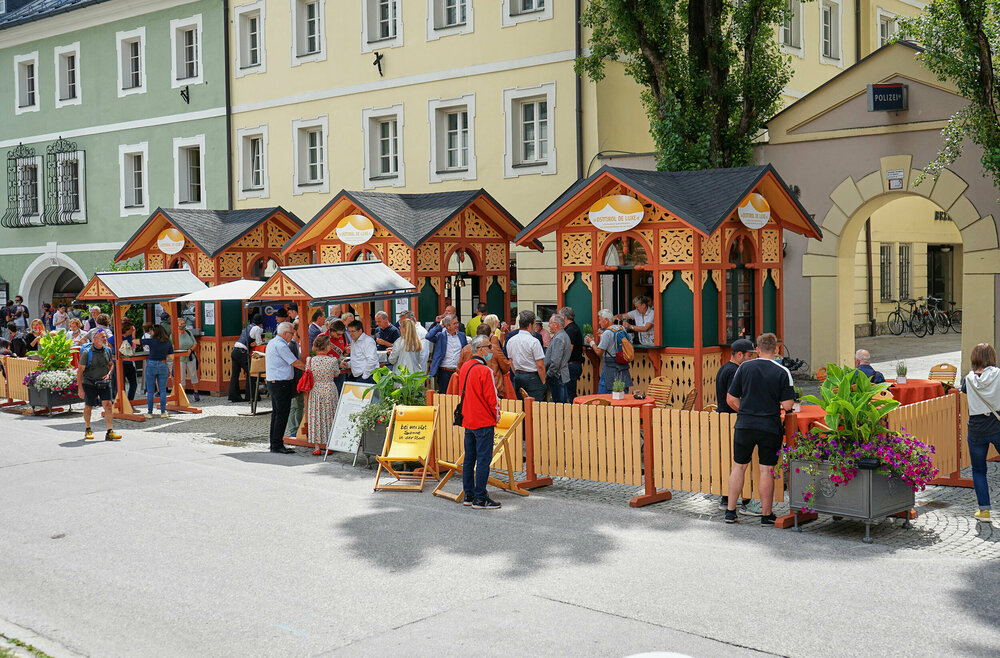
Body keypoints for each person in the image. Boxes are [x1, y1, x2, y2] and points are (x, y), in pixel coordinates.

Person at [724, 332, 795, 526]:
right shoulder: (782, 371)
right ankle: (766, 515)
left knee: (739, 467)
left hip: (745, 424)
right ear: (776, 349)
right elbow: (788, 405)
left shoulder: (745, 367)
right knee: (766, 470)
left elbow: (731, 398)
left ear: (757, 349)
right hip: (769, 426)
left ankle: (730, 512)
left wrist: (746, 410)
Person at [458, 335, 502, 510]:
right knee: (483, 460)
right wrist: (496, 416)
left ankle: (468, 494)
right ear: (480, 349)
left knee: (469, 459)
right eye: (489, 347)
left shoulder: (465, 368)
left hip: (468, 418)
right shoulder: (485, 371)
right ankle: (480, 497)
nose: (491, 350)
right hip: (483, 419)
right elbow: (492, 399)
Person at [715, 338, 758, 514]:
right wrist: (746, 412)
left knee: (730, 462)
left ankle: (726, 499)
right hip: (734, 420)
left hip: (724, 420)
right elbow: (733, 399)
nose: (751, 359)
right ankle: (746, 501)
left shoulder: (724, 367)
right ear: (739, 355)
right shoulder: (735, 372)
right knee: (743, 462)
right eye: (749, 355)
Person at [961, 343, 1000, 522]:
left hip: (976, 428)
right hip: (996, 424)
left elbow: (964, 392)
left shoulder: (967, 379)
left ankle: (984, 512)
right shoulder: (999, 375)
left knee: (978, 470)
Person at [265, 322, 305, 454]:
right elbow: (295, 362)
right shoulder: (281, 345)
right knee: (281, 414)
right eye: (292, 333)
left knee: (276, 414)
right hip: (281, 384)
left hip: (274, 382)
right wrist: (310, 368)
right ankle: (277, 444)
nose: (293, 336)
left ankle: (274, 443)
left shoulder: (272, 342)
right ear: (285, 333)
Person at [76, 330, 121, 441]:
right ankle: (88, 429)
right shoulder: (87, 353)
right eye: (102, 337)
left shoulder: (108, 350)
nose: (105, 339)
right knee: (89, 406)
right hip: (89, 383)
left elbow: (111, 365)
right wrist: (80, 389)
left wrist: (109, 374)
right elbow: (80, 371)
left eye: (105, 336)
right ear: (95, 339)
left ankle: (110, 431)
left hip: (104, 383)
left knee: (108, 406)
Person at [304, 334, 341, 456]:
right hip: (329, 389)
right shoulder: (332, 360)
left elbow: (307, 372)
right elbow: (336, 374)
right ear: (326, 347)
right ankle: (329, 445)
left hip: (316, 390)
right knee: (330, 416)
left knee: (316, 417)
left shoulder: (310, 360)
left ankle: (317, 446)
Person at [587, 309, 632, 394]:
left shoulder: (606, 334)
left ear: (606, 320)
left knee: (604, 395)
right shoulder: (621, 328)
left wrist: (591, 342)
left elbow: (598, 352)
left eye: (600, 320)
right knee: (622, 394)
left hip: (610, 367)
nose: (599, 323)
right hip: (623, 365)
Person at [507, 310, 546, 400]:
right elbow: (540, 365)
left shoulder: (511, 340)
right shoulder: (534, 341)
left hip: (518, 376)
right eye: (535, 324)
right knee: (535, 408)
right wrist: (543, 382)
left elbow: (510, 361)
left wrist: (517, 373)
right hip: (533, 377)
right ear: (530, 325)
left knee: (522, 406)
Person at [428, 314, 467, 392]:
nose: (457, 325)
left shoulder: (462, 336)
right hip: (444, 372)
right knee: (444, 396)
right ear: (447, 326)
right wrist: (440, 326)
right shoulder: (441, 336)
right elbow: (428, 336)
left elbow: (465, 352)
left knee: (458, 396)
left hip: (458, 371)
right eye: (454, 324)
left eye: (457, 323)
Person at [229, 314, 263, 402]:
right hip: (242, 351)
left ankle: (234, 396)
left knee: (235, 375)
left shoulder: (247, 327)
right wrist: (256, 343)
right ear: (260, 323)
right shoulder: (257, 329)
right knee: (251, 372)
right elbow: (259, 343)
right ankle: (251, 396)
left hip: (235, 349)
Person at [141, 325, 173, 418]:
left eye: (152, 331)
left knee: (150, 391)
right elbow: (172, 357)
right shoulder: (167, 342)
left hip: (151, 364)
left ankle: (149, 412)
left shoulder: (151, 341)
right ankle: (163, 412)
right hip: (162, 364)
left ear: (155, 332)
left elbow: (137, 341)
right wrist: (163, 354)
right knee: (163, 390)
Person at [559, 307, 585, 401]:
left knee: (569, 394)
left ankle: (571, 413)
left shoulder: (571, 330)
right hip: (571, 365)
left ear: (563, 317)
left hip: (570, 366)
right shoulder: (571, 328)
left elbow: (568, 350)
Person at [544, 313, 571, 403]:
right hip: (559, 375)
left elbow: (555, 362)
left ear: (556, 324)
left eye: (550, 323)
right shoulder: (563, 335)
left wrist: (548, 374)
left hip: (557, 376)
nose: (548, 325)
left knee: (558, 407)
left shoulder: (559, 338)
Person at [176, 317, 200, 402]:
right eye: (181, 323)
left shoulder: (189, 333)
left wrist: (190, 350)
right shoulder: (174, 335)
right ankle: (183, 395)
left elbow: (194, 343)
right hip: (180, 358)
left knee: (193, 375)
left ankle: (196, 393)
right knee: (182, 377)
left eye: (184, 323)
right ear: (177, 325)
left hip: (190, 357)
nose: (183, 325)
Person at [327, 319, 350, 392]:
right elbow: (316, 353)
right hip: (328, 370)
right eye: (338, 334)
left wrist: (346, 352)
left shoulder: (343, 337)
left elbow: (343, 352)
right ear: (332, 331)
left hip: (340, 369)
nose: (340, 336)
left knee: (340, 391)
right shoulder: (323, 337)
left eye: (341, 334)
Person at [120, 320, 139, 402]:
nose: (133, 330)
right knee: (121, 385)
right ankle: (122, 402)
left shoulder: (130, 337)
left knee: (134, 383)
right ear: (127, 330)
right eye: (131, 329)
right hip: (121, 363)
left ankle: (130, 401)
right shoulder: (117, 337)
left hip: (129, 362)